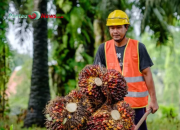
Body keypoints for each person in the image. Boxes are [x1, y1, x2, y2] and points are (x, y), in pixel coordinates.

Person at [94, 10, 159, 130]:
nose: (115, 31)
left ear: (126, 27)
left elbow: (147, 74)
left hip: (136, 107)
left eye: (118, 27)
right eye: (112, 28)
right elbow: (97, 78)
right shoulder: (103, 49)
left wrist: (153, 100)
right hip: (112, 107)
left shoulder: (139, 47)